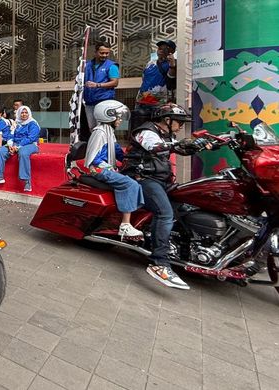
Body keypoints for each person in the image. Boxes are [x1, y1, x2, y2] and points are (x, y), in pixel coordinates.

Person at [121, 103, 211, 290]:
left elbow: (180, 148)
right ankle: (159, 263)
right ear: (167, 120)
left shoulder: (167, 136)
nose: (181, 126)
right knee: (164, 213)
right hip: (142, 178)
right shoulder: (145, 131)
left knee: (186, 206)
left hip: (162, 180)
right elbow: (154, 147)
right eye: (179, 122)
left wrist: (201, 145)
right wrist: (180, 144)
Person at [83, 100, 144, 239]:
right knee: (129, 184)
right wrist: (112, 169)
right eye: (118, 117)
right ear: (108, 116)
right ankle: (125, 226)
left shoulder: (109, 132)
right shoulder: (99, 132)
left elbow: (118, 151)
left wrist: (133, 160)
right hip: (98, 170)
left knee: (136, 178)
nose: (120, 120)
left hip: (107, 168)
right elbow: (95, 159)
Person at [0, 106, 39, 191]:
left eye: (26, 112)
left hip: (30, 144)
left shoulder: (33, 124)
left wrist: (18, 147)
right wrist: (10, 145)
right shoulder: (16, 123)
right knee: (1, 151)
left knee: (23, 153)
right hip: (15, 144)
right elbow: (10, 135)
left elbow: (31, 138)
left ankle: (26, 181)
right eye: (22, 113)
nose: (24, 114)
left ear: (29, 113)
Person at [132, 40, 177, 130]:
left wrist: (172, 65)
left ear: (171, 51)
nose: (160, 50)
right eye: (159, 48)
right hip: (142, 101)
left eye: (164, 49)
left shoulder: (173, 64)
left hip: (158, 103)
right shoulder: (150, 63)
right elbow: (144, 78)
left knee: (157, 128)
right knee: (138, 128)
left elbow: (171, 78)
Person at [83, 42, 120, 131]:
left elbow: (115, 82)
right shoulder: (86, 65)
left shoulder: (112, 66)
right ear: (95, 52)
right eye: (102, 53)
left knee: (104, 128)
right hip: (89, 103)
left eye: (107, 53)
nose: (104, 55)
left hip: (104, 102)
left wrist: (97, 85)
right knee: (92, 129)